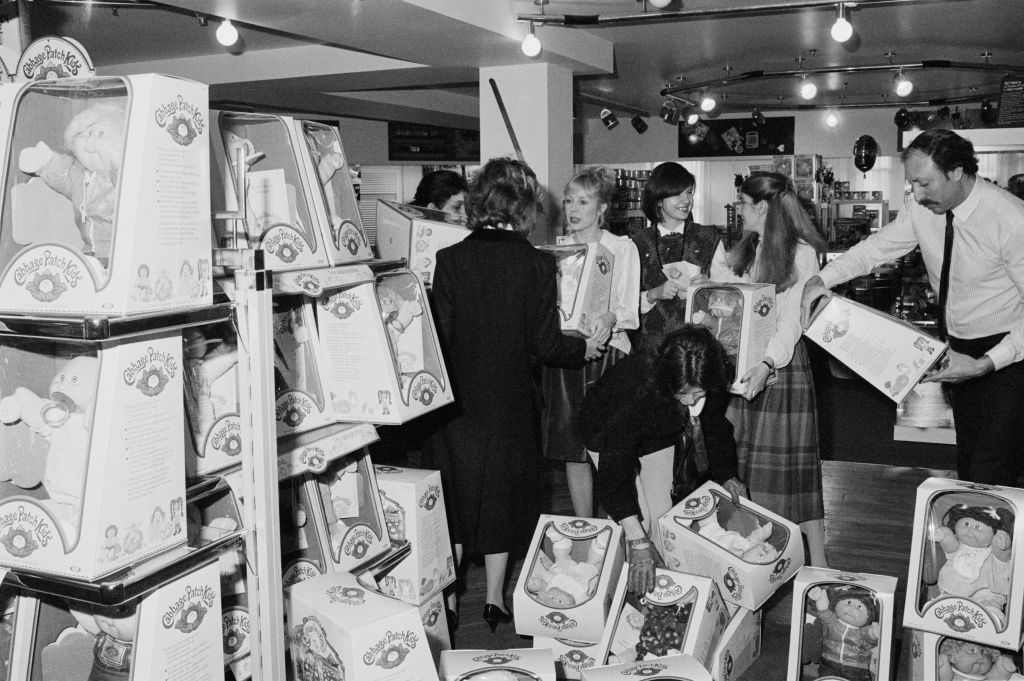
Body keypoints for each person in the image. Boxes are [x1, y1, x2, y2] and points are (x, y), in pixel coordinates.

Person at [431, 157, 602, 631]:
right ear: (523, 205)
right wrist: (585, 346)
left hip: (456, 405)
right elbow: (545, 344)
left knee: (459, 500)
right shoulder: (535, 263)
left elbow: (438, 340)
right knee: (503, 500)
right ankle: (494, 600)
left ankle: (447, 598)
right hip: (511, 402)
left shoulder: (450, 260)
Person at [800, 129, 1024, 485]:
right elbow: (877, 249)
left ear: (956, 171)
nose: (917, 195)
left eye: (925, 183)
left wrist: (986, 363)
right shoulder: (921, 209)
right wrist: (821, 280)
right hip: (957, 347)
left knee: (996, 466)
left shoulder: (1011, 220)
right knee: (969, 458)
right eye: (912, 184)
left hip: (1008, 355)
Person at [710, 172, 829, 567]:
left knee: (793, 471)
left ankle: (819, 563)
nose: (738, 210)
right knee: (744, 464)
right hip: (743, 368)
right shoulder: (745, 249)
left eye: (742, 203)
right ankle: (754, 552)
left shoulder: (802, 253)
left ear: (762, 206)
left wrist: (766, 363)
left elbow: (793, 322)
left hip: (781, 365)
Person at [578, 325, 746, 595]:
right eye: (684, 392)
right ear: (668, 381)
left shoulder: (710, 377)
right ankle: (613, 592)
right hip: (605, 430)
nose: (692, 401)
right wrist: (637, 540)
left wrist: (727, 474)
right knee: (635, 525)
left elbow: (714, 426)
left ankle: (662, 593)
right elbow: (615, 469)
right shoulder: (639, 390)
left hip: (659, 433)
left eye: (699, 393)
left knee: (660, 518)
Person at [542, 167, 641, 517]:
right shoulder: (556, 251)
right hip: (567, 355)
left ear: (601, 207)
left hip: (609, 354)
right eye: (569, 200)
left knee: (611, 446)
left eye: (583, 201)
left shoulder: (621, 248)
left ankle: (625, 523)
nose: (573, 208)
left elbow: (629, 307)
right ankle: (586, 526)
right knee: (574, 447)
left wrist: (610, 318)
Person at [629, 162, 725, 356]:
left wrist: (710, 287)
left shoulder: (709, 238)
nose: (686, 200)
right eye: (677, 194)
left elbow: (731, 297)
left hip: (698, 347)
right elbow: (624, 304)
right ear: (658, 199)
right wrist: (653, 294)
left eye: (689, 192)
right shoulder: (636, 243)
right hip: (651, 349)